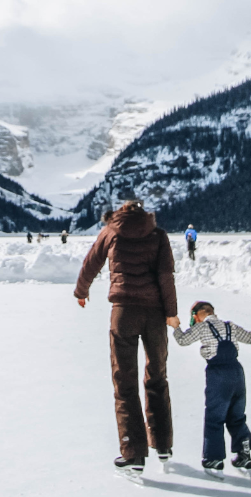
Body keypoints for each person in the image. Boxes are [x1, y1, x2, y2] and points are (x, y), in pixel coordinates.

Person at [74, 200, 179, 479]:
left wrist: (80, 291)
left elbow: (91, 263)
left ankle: (133, 454)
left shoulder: (111, 231)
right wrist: (171, 313)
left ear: (119, 213)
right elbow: (166, 275)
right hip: (155, 314)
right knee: (157, 376)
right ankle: (163, 445)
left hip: (124, 313)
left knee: (125, 381)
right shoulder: (158, 235)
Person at [172, 301, 251, 480]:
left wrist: (176, 327)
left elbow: (183, 341)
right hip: (237, 374)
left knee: (214, 418)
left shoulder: (201, 328)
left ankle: (214, 459)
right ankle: (244, 456)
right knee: (237, 417)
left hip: (218, 375)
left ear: (196, 316)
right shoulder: (230, 326)